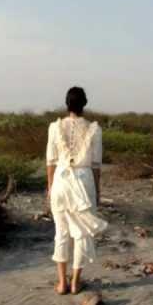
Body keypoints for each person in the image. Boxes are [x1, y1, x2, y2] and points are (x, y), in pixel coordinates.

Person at [45, 86, 108, 294]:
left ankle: (62, 282)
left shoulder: (54, 127)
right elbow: (96, 165)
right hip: (83, 181)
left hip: (61, 181)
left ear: (67, 104)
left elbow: (50, 161)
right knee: (81, 234)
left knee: (61, 232)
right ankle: (75, 283)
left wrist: (50, 186)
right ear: (84, 104)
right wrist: (97, 191)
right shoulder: (94, 129)